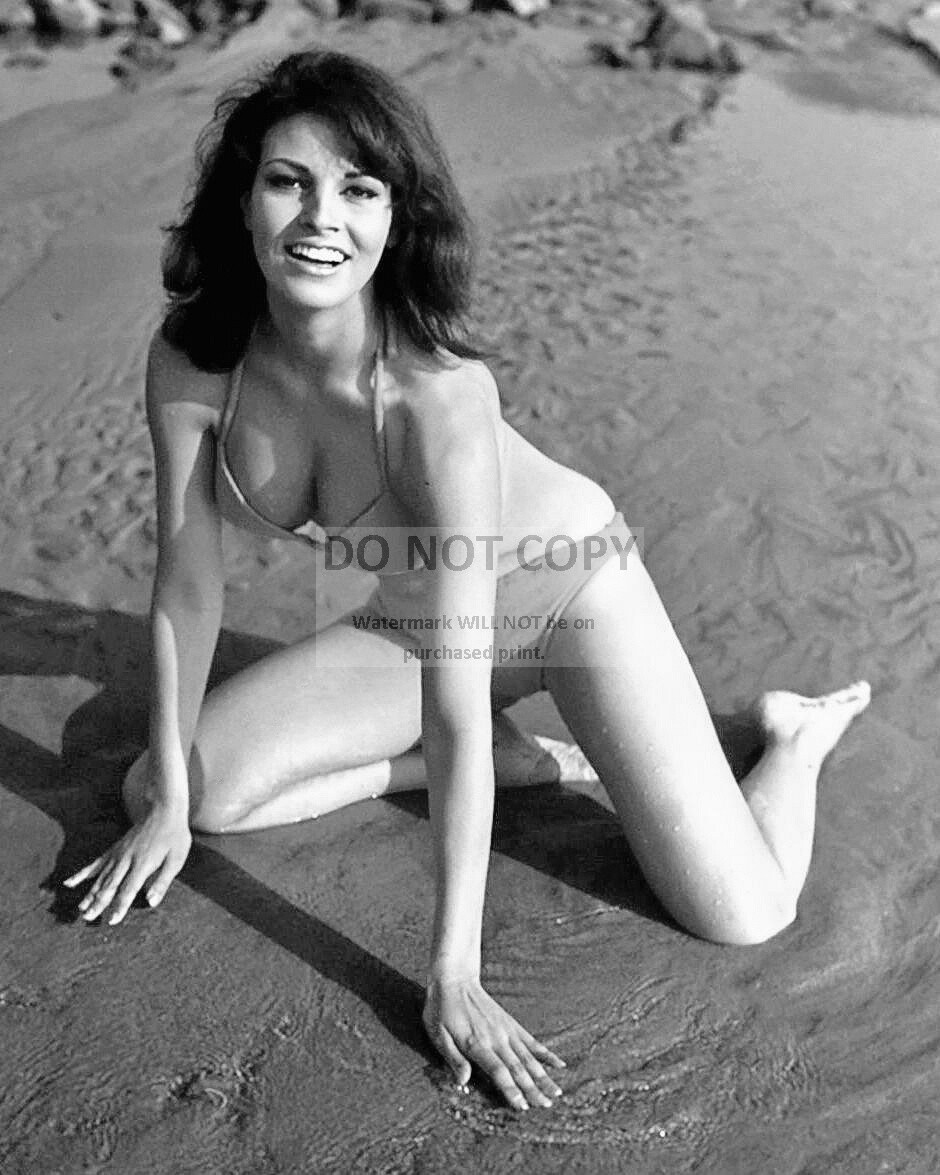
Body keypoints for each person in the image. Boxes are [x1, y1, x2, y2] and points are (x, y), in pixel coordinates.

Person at [64, 50, 870, 1112]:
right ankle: (519, 757)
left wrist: (453, 970)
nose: (321, 217)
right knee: (171, 789)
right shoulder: (196, 357)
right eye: (288, 180)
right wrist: (170, 800)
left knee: (743, 913)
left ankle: (795, 737)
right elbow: (187, 584)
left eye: (360, 190)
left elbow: (451, 699)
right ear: (242, 197)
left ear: (396, 219)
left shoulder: (435, 398)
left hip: (568, 592)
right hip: (420, 611)